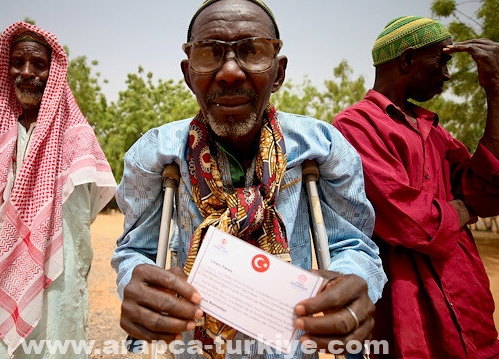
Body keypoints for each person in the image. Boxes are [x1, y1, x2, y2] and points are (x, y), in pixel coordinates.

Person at [111, 1, 387, 358]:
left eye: (252, 51)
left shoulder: (322, 146)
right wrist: (134, 280)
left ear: (279, 72)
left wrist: (354, 282)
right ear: (187, 73)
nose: (229, 72)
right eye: (209, 53)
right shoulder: (155, 154)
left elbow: (353, 245)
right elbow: (137, 250)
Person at [333, 16, 499, 359]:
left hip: (468, 299)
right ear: (407, 61)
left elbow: (494, 188)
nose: (447, 74)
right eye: (442, 60)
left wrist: (496, 90)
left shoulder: (434, 130)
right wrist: (463, 209)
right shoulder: (355, 124)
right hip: (407, 310)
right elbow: (412, 222)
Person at [0, 22, 117, 358]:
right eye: (18, 62)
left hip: (53, 265)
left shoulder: (76, 137)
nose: (27, 72)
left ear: (53, 72)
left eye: (39, 64)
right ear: (5, 69)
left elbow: (83, 214)